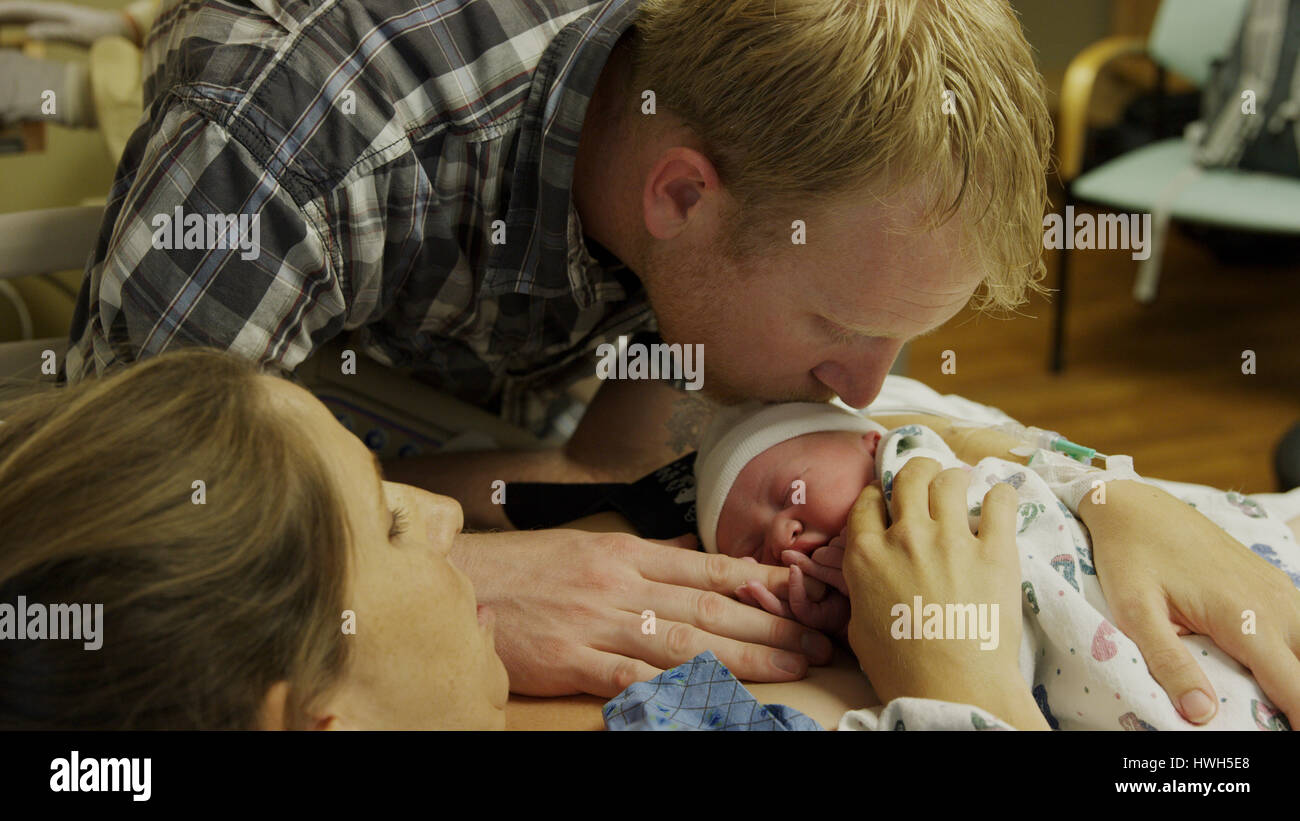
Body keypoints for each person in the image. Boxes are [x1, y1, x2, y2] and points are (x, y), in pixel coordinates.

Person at [53, 0, 1299, 711]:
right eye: (838, 330)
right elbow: (124, 584)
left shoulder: (741, 122)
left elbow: (617, 460)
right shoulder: (282, 144)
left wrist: (1098, 485)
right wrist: (470, 582)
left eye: (904, 333)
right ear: (680, 196)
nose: (870, 383)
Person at [691, 401, 1300, 729]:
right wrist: (828, 614)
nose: (782, 529)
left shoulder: (911, 460)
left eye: (787, 489)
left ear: (869, 442)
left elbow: (999, 462)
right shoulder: (845, 617)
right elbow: (897, 643)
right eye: (748, 545)